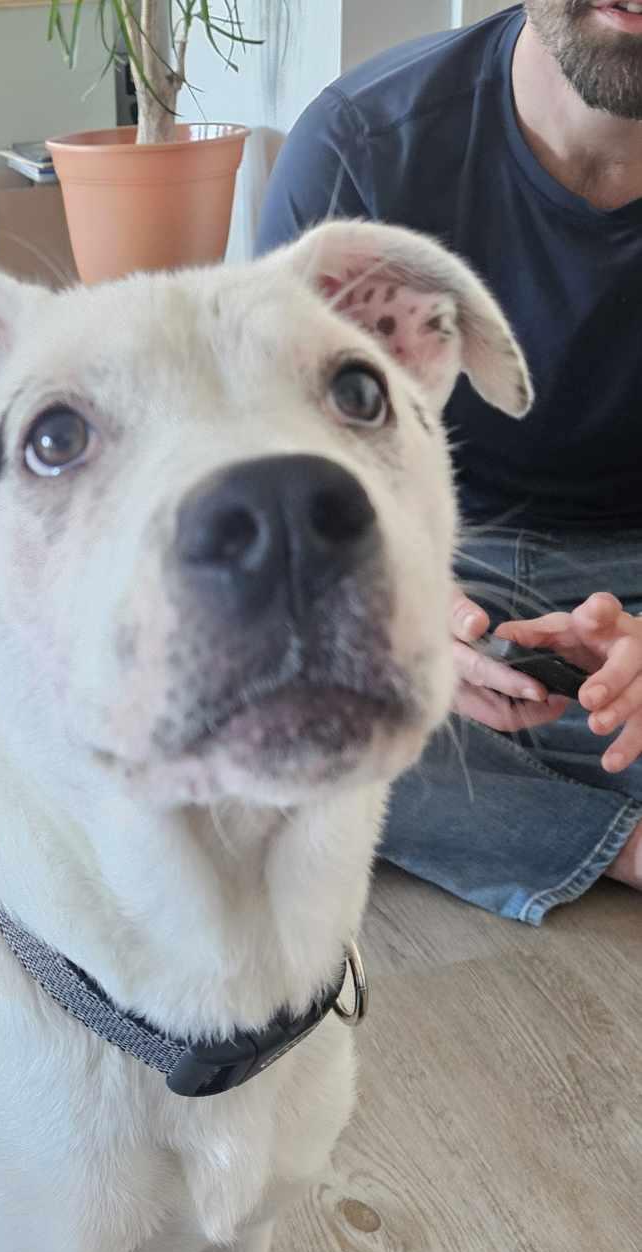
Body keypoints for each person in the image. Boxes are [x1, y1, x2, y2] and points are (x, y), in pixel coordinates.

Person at [257, 1, 642, 923]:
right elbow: (271, 460)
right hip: (428, 552)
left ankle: (452, 772)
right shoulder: (359, 144)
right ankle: (623, 842)